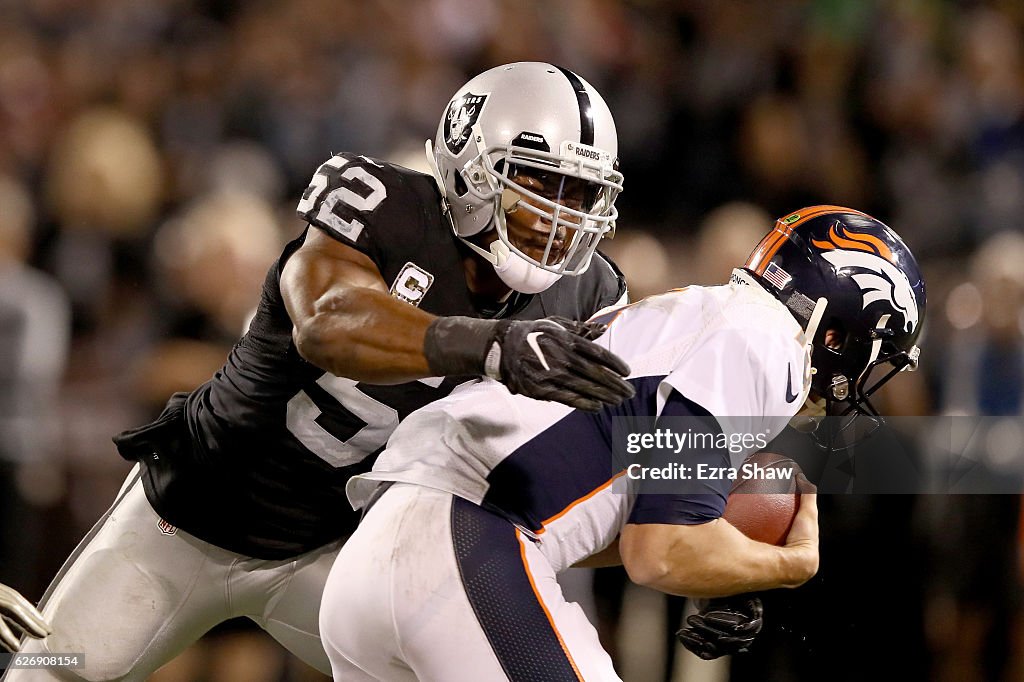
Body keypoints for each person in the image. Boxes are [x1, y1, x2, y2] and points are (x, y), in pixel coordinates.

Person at [5, 62, 634, 680]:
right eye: (537, 184)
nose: (559, 217)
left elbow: (629, 452)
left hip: (336, 553)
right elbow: (327, 324)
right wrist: (489, 344)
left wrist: (725, 557)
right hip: (185, 519)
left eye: (581, 195)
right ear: (470, 165)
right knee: (51, 669)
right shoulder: (385, 206)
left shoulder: (591, 296)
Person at [319, 205, 927, 681]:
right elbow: (660, 551)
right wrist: (788, 565)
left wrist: (724, 560)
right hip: (462, 546)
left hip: (379, 559)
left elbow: (598, 523)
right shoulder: (765, 343)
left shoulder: (700, 316)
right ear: (841, 330)